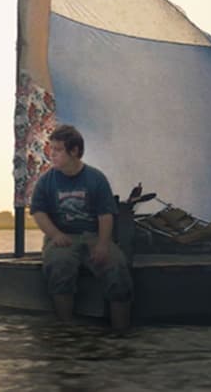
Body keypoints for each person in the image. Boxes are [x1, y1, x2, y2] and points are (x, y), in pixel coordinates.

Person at [30, 125, 133, 331]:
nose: (53, 155)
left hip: (93, 235)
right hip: (62, 236)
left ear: (74, 151)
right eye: (52, 149)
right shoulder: (45, 181)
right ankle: (67, 330)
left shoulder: (96, 178)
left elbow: (105, 215)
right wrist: (55, 234)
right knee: (59, 265)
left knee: (117, 268)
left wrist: (103, 244)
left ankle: (121, 333)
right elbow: (38, 213)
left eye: (58, 150)